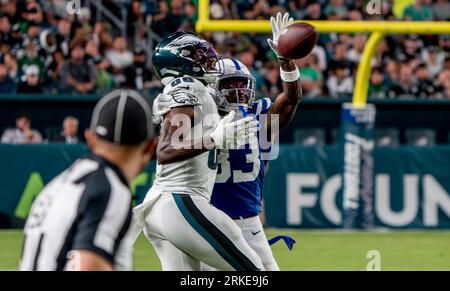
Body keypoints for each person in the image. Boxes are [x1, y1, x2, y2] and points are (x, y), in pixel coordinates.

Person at [131, 31, 262, 271]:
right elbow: (166, 150)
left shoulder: (194, 89)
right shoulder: (188, 87)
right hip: (181, 202)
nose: (210, 60)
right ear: (180, 62)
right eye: (200, 56)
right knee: (255, 273)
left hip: (163, 206)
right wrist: (213, 139)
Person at [206, 12, 302, 272]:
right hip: (207, 222)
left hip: (248, 223)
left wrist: (286, 61)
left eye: (242, 84)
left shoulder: (259, 117)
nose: (239, 92)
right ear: (212, 88)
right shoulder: (198, 118)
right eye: (230, 85)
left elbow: (291, 98)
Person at [20, 89, 156, 271]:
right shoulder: (110, 187)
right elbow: (88, 266)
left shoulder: (57, 184)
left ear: (90, 138)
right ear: (149, 147)